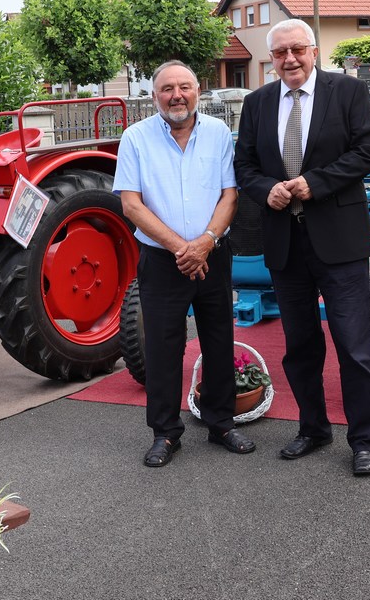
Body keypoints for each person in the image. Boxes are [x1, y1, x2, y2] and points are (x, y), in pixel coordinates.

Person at [234, 19, 370, 476]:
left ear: (314, 51)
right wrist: (266, 190)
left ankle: (364, 440)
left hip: (339, 240)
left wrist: (313, 183)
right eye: (280, 53)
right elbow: (244, 165)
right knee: (300, 346)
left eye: (297, 49)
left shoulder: (348, 92)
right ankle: (313, 428)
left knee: (353, 345)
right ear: (271, 59)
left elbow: (367, 151)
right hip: (285, 244)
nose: (290, 59)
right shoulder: (258, 103)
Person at [113, 60, 255, 468]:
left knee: (218, 339)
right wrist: (183, 249)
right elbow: (131, 204)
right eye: (167, 89)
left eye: (185, 87)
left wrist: (205, 243)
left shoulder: (218, 134)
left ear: (197, 91)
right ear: (154, 96)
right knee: (163, 347)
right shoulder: (135, 138)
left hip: (213, 254)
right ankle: (165, 433)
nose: (177, 95)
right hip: (163, 260)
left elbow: (230, 195)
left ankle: (221, 423)